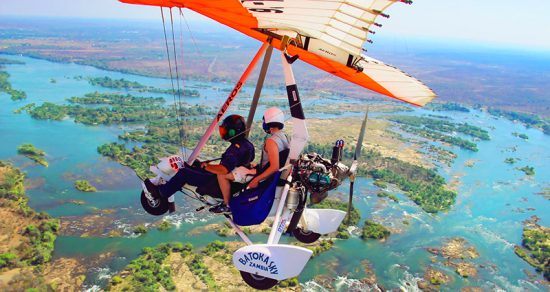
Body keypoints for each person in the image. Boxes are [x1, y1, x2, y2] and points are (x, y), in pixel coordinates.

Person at [143, 114, 255, 213]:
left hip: (216, 185)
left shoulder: (235, 150)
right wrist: (205, 166)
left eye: (225, 130)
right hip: (230, 184)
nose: (223, 132)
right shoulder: (248, 145)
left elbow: (223, 170)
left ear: (232, 132)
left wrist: (207, 166)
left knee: (183, 173)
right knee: (194, 165)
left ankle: (161, 193)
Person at [214, 107, 289, 213]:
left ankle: (226, 204)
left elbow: (274, 167)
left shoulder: (272, 141)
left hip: (264, 177)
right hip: (266, 174)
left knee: (222, 174)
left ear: (267, 122)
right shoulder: (284, 137)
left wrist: (256, 180)